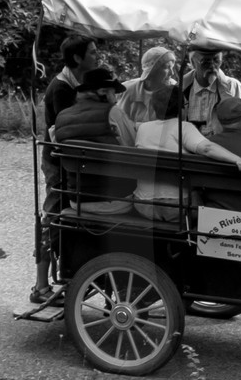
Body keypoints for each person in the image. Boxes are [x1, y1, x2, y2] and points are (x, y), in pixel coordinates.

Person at [32, 34, 103, 303]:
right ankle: (41, 287)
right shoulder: (61, 88)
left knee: (67, 216)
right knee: (52, 217)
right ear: (77, 58)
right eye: (93, 52)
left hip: (69, 161)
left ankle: (65, 277)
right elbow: (67, 130)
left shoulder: (77, 82)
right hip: (58, 162)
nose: (97, 56)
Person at [134, 113, 241, 223]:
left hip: (143, 205)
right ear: (182, 109)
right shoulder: (183, 127)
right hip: (178, 208)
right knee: (203, 196)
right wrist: (238, 160)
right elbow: (207, 148)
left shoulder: (143, 128)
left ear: (154, 108)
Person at [52, 67, 134, 214]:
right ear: (102, 92)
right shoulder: (113, 112)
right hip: (116, 200)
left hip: (76, 200)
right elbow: (132, 148)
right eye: (113, 92)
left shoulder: (62, 116)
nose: (115, 99)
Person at [111, 46, 181, 146]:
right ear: (152, 71)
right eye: (166, 67)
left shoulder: (174, 91)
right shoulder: (127, 90)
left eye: (172, 67)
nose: (172, 73)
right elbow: (120, 125)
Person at [180, 49, 241, 129]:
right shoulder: (182, 89)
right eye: (206, 62)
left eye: (217, 60)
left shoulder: (232, 87)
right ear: (193, 63)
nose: (212, 66)